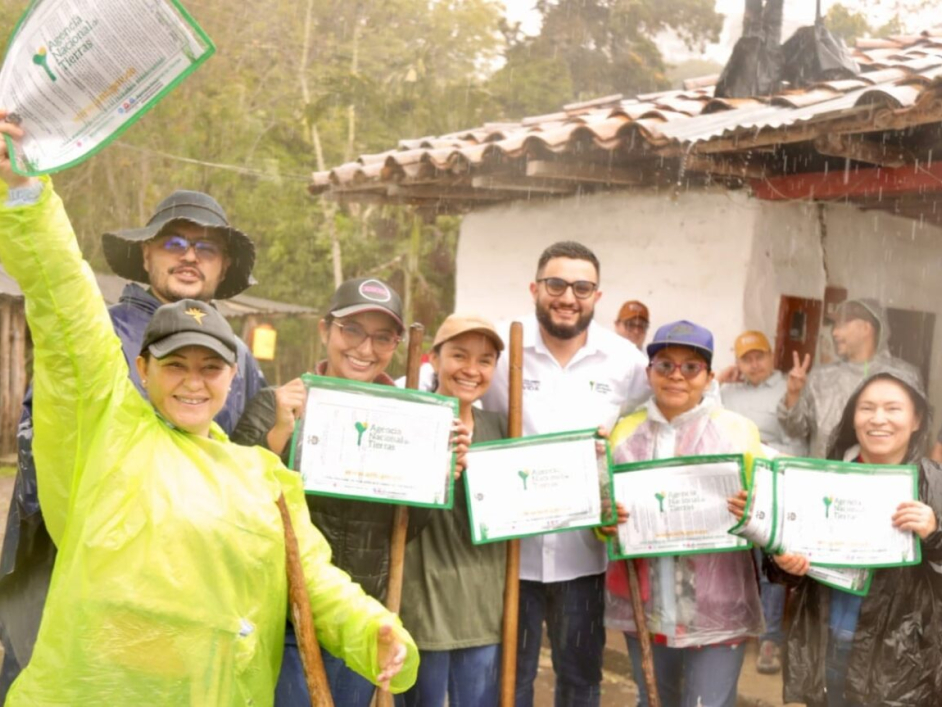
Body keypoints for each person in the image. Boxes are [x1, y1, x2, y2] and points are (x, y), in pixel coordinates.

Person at [0, 114, 417, 705]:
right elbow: (64, 306)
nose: (193, 383)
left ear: (235, 374)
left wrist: (373, 631)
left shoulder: (260, 476)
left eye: (211, 368)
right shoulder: (107, 431)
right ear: (140, 370)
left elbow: (313, 576)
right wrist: (24, 193)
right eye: (174, 364)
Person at [0, 184, 268, 697]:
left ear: (223, 265)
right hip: (84, 571)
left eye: (207, 247)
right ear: (146, 253)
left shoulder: (241, 360)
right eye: (175, 242)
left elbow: (245, 471)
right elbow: (50, 456)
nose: (190, 255)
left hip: (187, 590)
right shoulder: (102, 334)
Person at [231, 277, 467, 707]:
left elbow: (404, 529)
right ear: (326, 331)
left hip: (361, 616)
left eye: (382, 337)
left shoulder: (411, 419)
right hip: (283, 616)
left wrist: (440, 473)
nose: (364, 348)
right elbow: (235, 504)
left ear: (397, 343)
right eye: (352, 330)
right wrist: (279, 435)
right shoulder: (275, 403)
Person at [480, 240, 649, 707]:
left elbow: (666, 414)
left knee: (580, 680)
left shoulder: (625, 362)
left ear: (597, 296)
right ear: (535, 288)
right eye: (556, 284)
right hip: (508, 555)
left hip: (583, 559)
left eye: (582, 287)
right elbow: (441, 388)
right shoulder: (497, 349)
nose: (567, 297)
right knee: (509, 681)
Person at [606, 320, 765, 707]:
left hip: (718, 604)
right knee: (655, 700)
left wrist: (752, 511)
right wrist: (606, 521)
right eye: (665, 365)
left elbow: (766, 509)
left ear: (709, 377)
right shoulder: (624, 434)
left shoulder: (738, 433)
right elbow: (605, 516)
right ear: (649, 373)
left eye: (691, 367)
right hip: (648, 602)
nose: (677, 376)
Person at [762, 370, 942, 706]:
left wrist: (935, 533)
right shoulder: (822, 479)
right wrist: (786, 563)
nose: (879, 419)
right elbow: (780, 563)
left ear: (916, 419)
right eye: (867, 408)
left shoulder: (936, 485)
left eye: (893, 408)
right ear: (852, 417)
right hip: (827, 642)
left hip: (901, 662)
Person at [396, 314, 508, 707]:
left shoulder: (503, 430)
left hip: (483, 608)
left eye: (485, 360)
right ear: (433, 359)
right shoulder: (407, 421)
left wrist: (587, 462)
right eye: (459, 355)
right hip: (421, 604)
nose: (471, 370)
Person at [719, 330, 806, 674]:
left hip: (773, 484)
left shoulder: (792, 384)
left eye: (760, 356)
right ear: (737, 361)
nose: (754, 364)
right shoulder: (727, 393)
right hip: (733, 488)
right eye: (746, 358)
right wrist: (716, 380)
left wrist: (795, 395)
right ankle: (732, 630)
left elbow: (800, 437)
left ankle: (770, 639)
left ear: (772, 356)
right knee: (731, 561)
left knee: (771, 561)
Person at [778, 298, 921, 459]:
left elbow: (918, 437)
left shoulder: (902, 375)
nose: (834, 333)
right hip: (824, 475)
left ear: (866, 328)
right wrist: (794, 394)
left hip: (883, 477)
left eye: (842, 325)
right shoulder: (821, 377)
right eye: (834, 326)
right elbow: (794, 430)